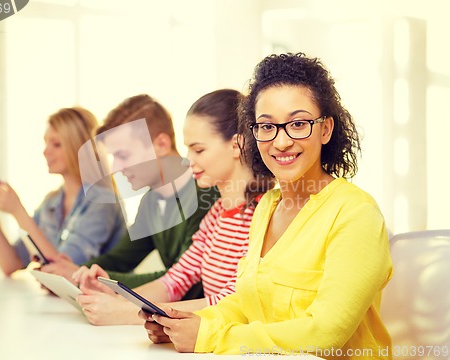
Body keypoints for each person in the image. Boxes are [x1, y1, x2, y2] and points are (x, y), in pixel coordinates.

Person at [142, 53, 394, 359]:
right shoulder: (267, 208)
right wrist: (187, 323)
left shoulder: (355, 213)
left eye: (299, 123)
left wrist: (209, 335)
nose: (281, 141)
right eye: (266, 126)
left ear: (326, 129)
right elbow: (248, 304)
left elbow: (327, 332)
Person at [73, 89, 274, 325]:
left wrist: (124, 313)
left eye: (198, 150)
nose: (188, 160)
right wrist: (122, 300)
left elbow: (232, 302)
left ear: (236, 145)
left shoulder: (265, 216)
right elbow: (174, 281)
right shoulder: (217, 215)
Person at [40, 95, 219, 298]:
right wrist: (76, 272)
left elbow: (184, 281)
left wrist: (95, 279)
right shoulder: (151, 201)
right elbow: (121, 259)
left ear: (161, 144)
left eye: (123, 156)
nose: (116, 168)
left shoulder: (207, 194)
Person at [0, 107, 127, 276]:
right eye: (46, 142)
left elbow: (65, 271)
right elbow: (11, 263)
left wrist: (17, 211)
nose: (45, 151)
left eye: (57, 144)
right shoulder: (52, 201)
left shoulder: (103, 202)